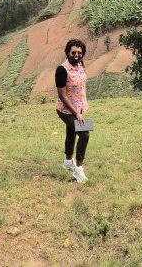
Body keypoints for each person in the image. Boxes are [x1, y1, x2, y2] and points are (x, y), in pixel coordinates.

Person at [55, 38, 90, 183]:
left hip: (79, 108)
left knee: (71, 133)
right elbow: (62, 95)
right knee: (84, 134)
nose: (76, 55)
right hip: (65, 110)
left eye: (79, 52)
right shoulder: (62, 70)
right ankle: (78, 169)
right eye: (73, 52)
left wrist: (81, 108)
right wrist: (76, 113)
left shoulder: (81, 64)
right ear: (67, 52)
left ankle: (68, 161)